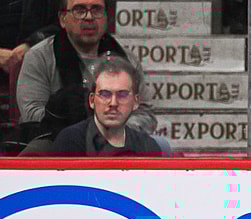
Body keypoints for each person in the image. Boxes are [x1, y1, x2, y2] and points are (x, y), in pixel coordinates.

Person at [16, 0, 154, 132]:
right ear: (63, 19)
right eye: (79, 10)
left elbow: (145, 113)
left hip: (118, 140)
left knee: (161, 146)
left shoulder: (125, 58)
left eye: (96, 9)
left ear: (106, 17)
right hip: (58, 143)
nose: (89, 17)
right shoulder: (39, 56)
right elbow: (31, 113)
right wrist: (84, 132)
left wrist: (112, 131)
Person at [51, 55, 161, 155]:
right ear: (92, 100)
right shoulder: (70, 141)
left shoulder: (148, 147)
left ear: (136, 102)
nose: (113, 103)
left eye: (122, 95)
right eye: (105, 94)